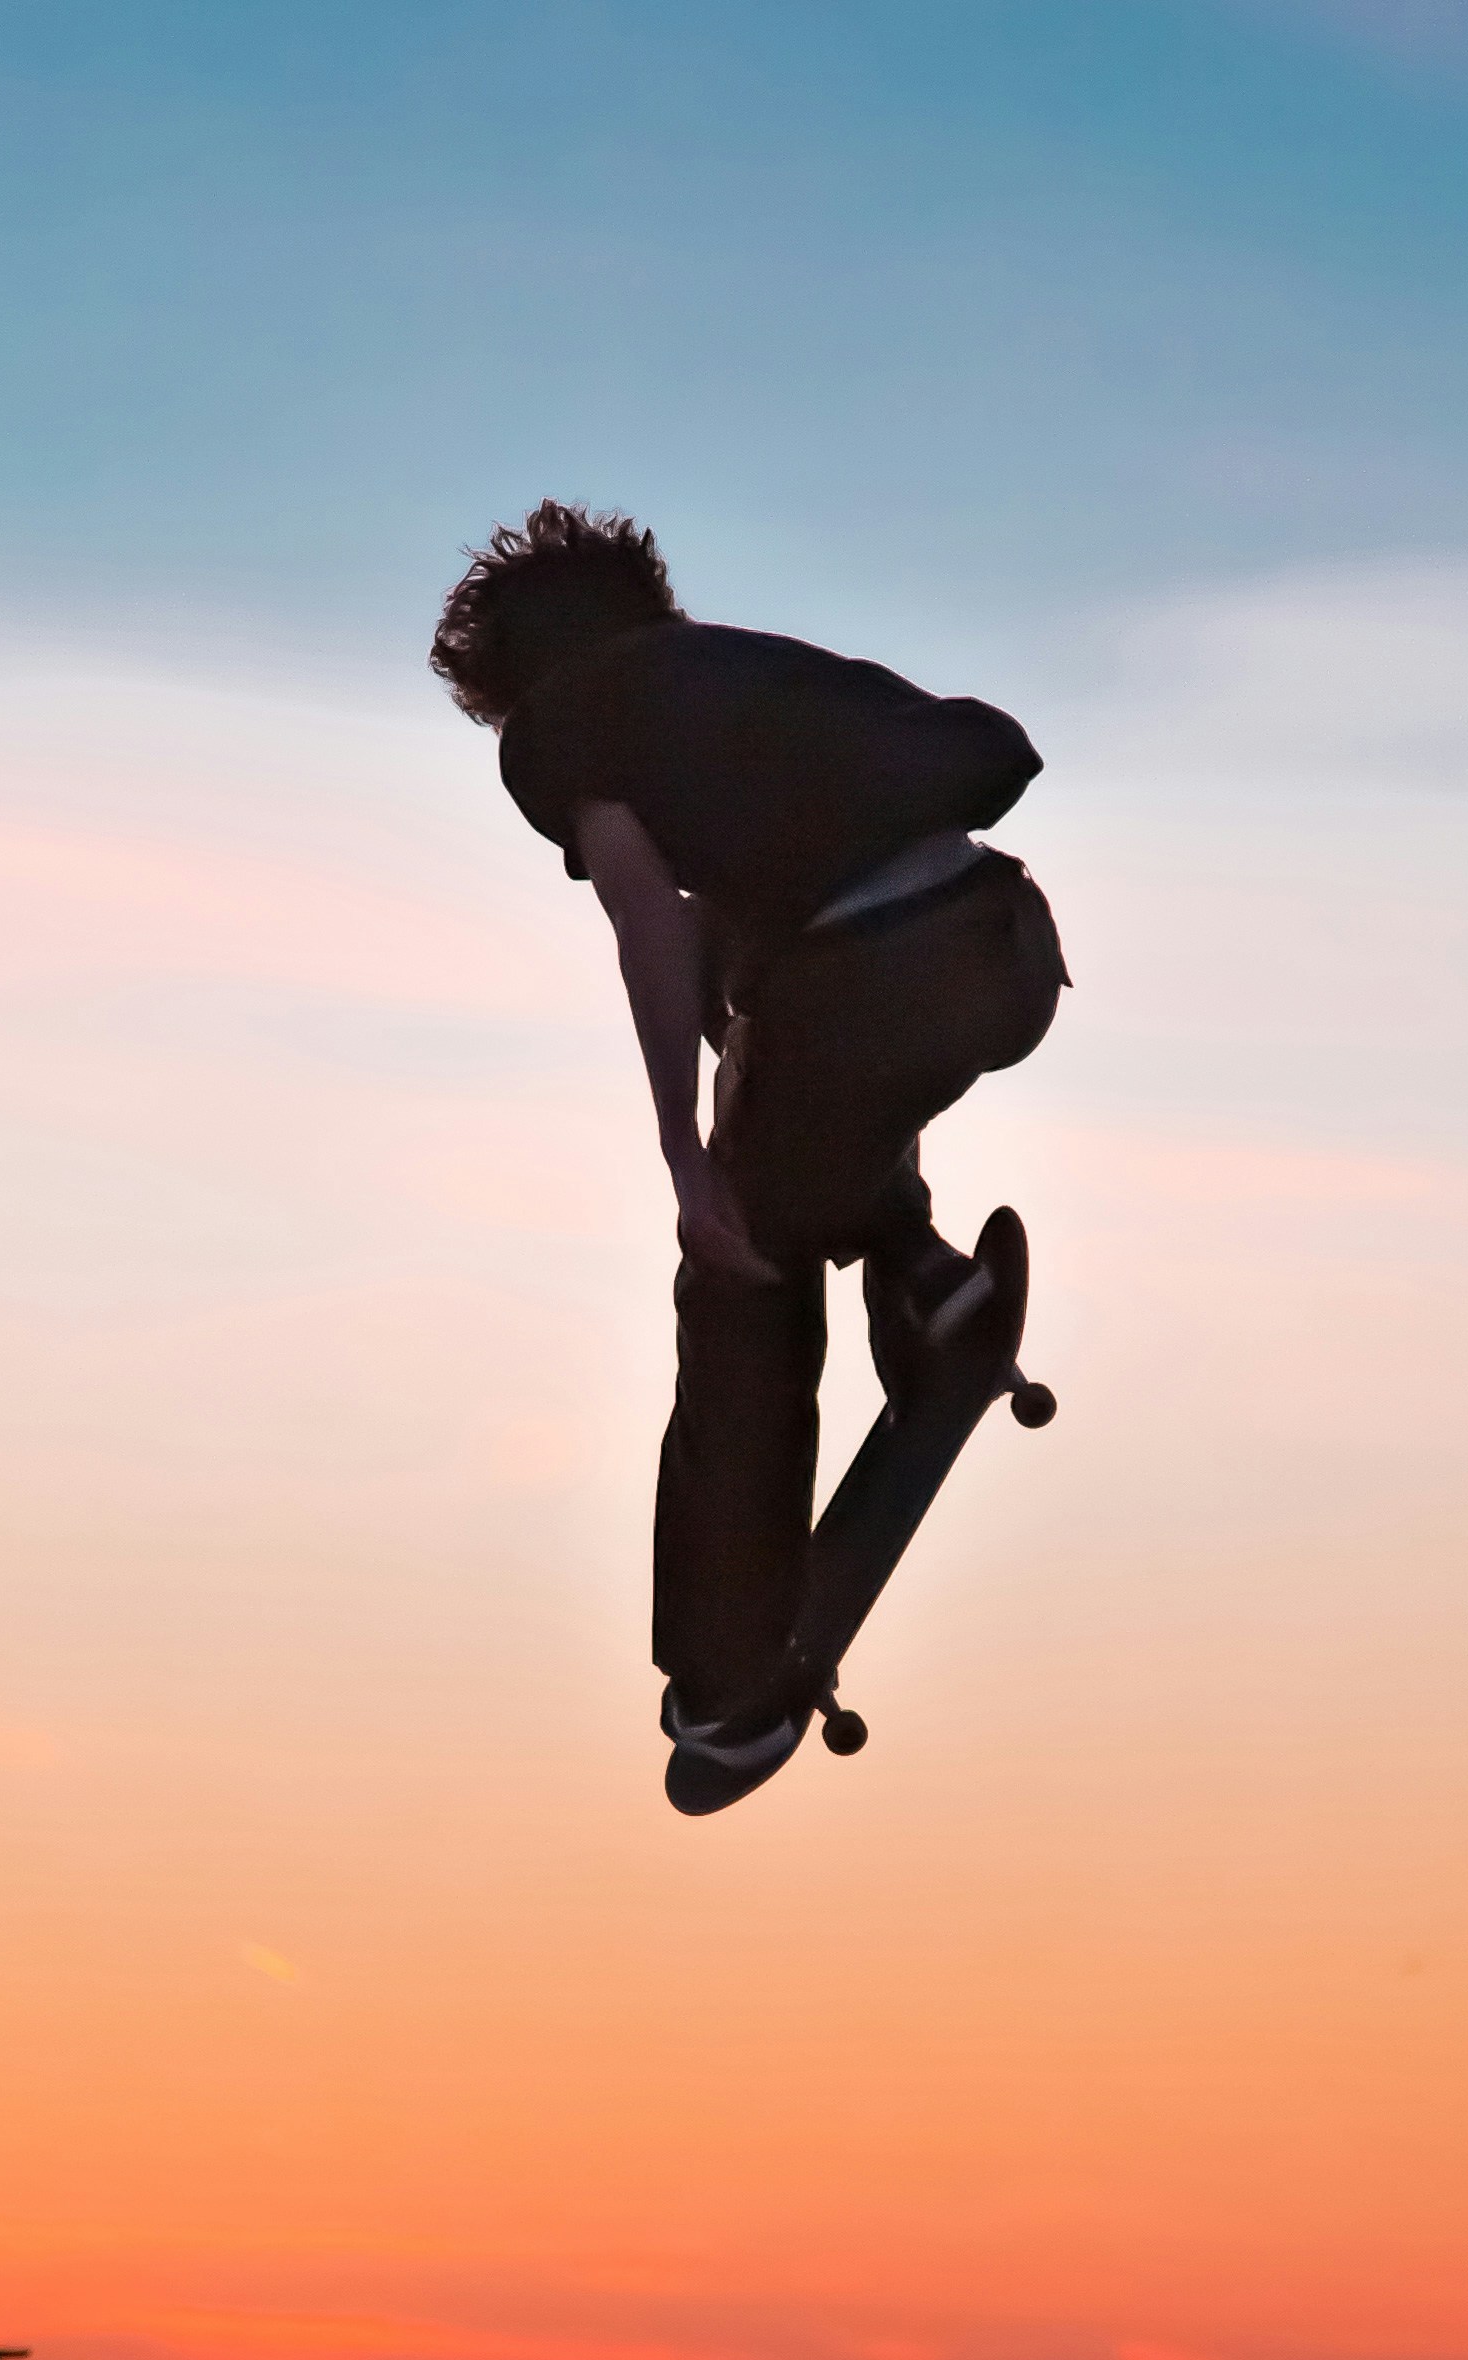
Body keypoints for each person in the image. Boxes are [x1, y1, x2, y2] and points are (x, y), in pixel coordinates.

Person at [431, 501, 1070, 1814]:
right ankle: (921, 1277)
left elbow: (642, 930)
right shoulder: (734, 681)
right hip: (999, 946)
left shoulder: (569, 724)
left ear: (514, 686)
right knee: (783, 1081)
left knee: (735, 1277)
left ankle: (724, 1682)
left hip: (870, 980)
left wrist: (680, 1156)